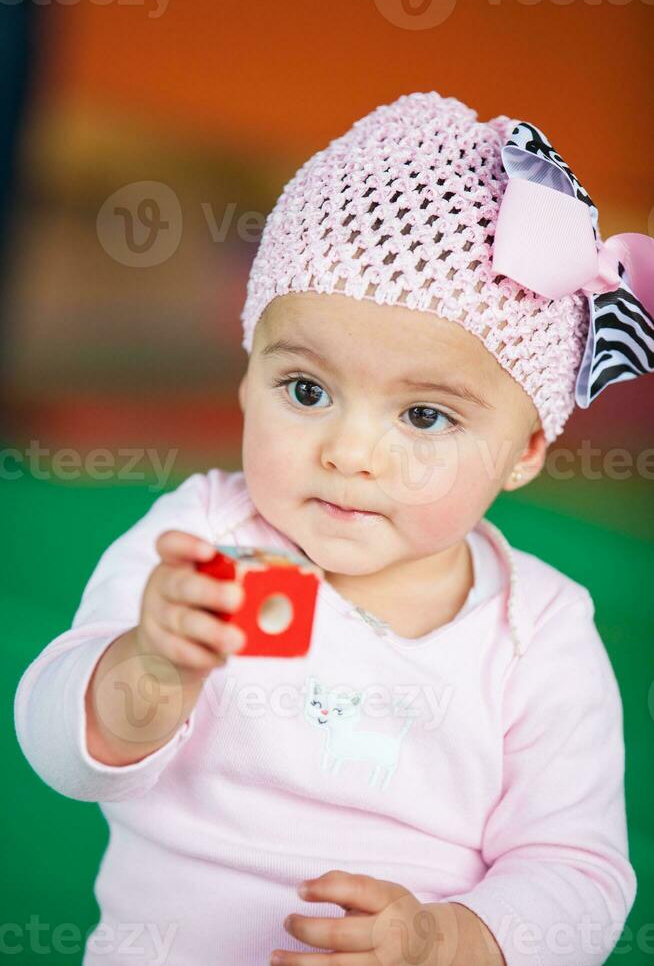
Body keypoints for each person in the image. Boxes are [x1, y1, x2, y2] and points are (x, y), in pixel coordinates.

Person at [15, 91, 653, 966]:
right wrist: (146, 667)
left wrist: (444, 939)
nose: (350, 452)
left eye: (426, 416)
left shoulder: (539, 629)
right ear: (247, 378)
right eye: (306, 391)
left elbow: (577, 872)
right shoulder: (199, 540)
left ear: (527, 448)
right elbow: (62, 752)